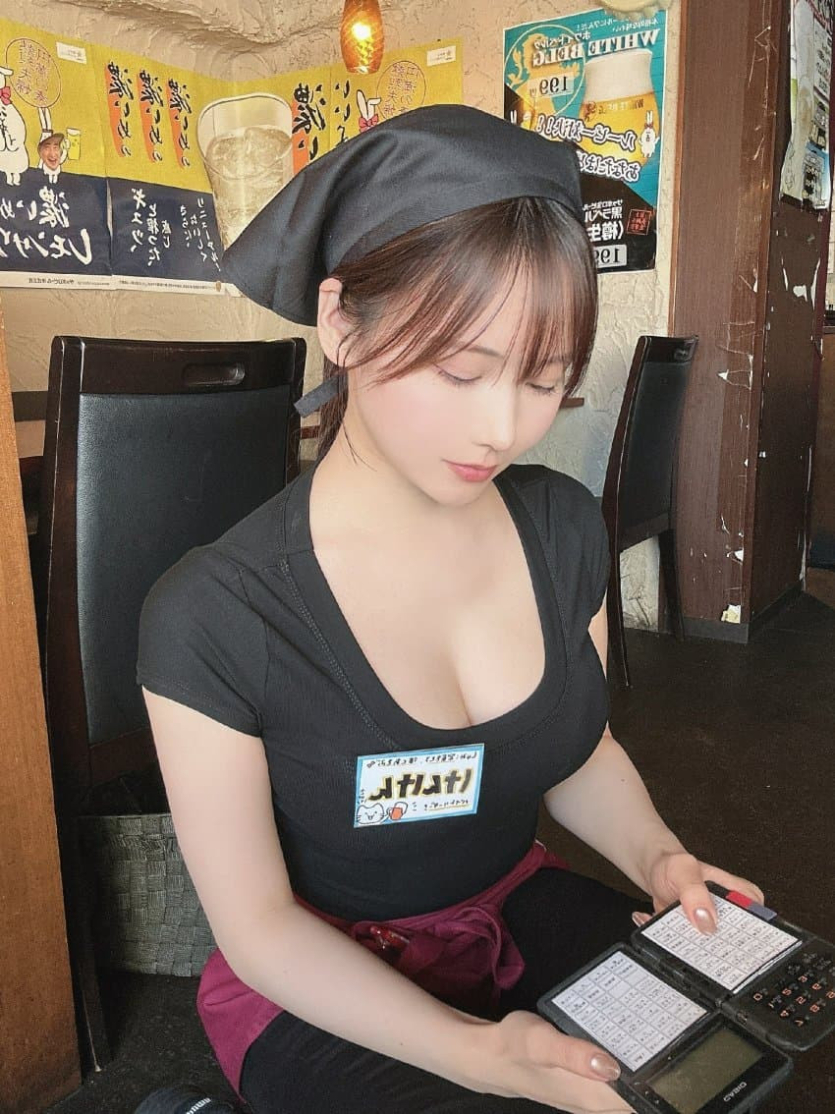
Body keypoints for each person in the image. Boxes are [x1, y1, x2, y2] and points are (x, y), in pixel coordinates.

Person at [137, 105, 763, 1114]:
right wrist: (479, 1056)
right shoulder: (215, 615)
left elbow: (577, 753)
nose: (501, 428)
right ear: (341, 322)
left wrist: (660, 858)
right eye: (461, 371)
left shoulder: (560, 528)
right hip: (318, 974)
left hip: (508, 909)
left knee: (714, 1064)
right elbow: (257, 927)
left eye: (543, 382)